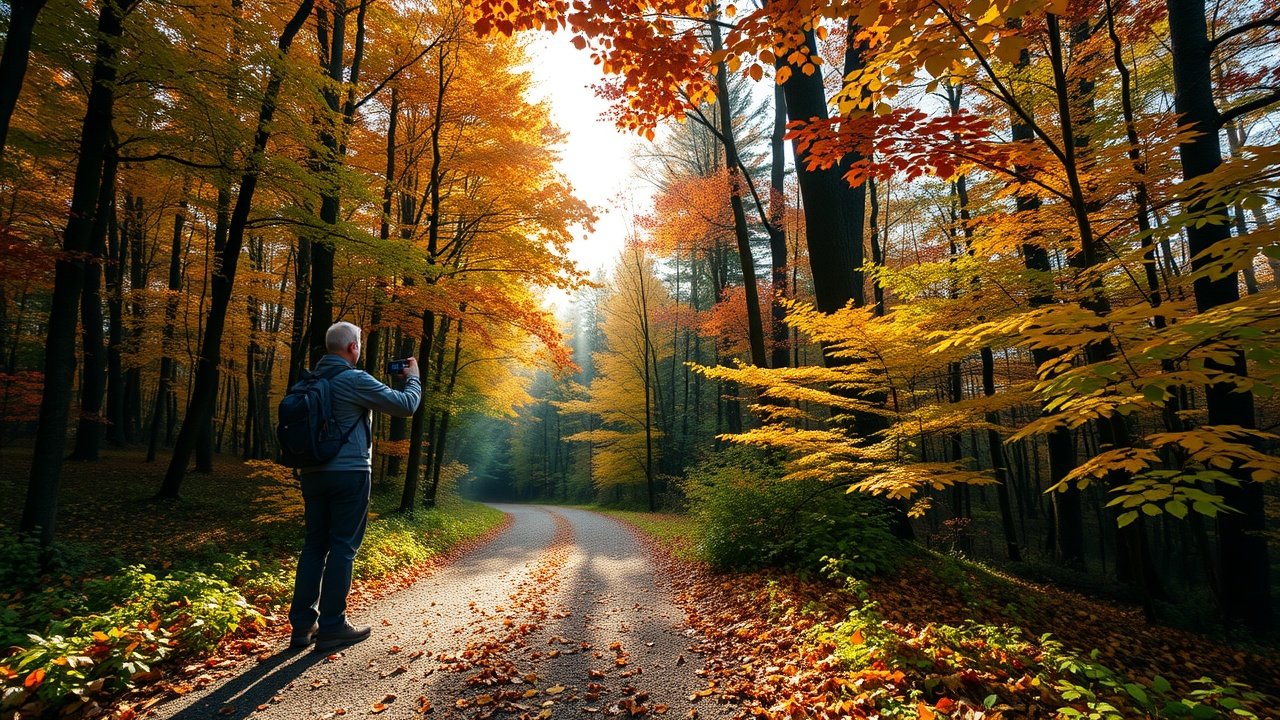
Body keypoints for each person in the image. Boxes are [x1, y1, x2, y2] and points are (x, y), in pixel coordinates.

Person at [288, 321, 421, 650]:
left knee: (314, 546)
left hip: (312, 473)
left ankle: (302, 627)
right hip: (349, 473)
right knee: (343, 547)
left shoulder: (309, 380)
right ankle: (333, 625)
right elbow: (405, 406)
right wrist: (413, 378)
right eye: (359, 343)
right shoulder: (353, 379)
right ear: (352, 348)